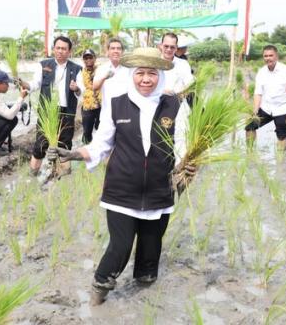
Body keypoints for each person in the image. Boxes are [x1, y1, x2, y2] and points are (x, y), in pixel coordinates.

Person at [46, 47, 193, 305]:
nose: (146, 79)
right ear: (131, 75)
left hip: (160, 189)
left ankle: (145, 295)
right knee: (120, 245)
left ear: (160, 75)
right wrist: (74, 154)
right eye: (140, 73)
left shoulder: (175, 105)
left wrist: (186, 167)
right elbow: (101, 143)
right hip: (121, 188)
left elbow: (182, 143)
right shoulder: (117, 104)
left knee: (151, 249)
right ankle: (98, 292)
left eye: (151, 74)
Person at [19, 36, 83, 177]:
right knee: (40, 144)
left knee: (64, 145)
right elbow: (34, 84)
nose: (60, 51)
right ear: (54, 49)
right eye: (58, 48)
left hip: (66, 113)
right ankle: (32, 176)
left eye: (64, 49)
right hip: (46, 113)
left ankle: (65, 176)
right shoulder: (43, 65)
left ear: (69, 51)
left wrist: (76, 88)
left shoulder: (77, 69)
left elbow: (81, 92)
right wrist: (24, 84)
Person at [245, 45, 286, 151]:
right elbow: (258, 93)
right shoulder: (261, 72)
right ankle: (249, 152)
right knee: (250, 127)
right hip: (266, 108)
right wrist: (255, 110)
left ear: (276, 56)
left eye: (271, 55)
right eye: (265, 56)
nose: (268, 58)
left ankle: (281, 161)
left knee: (281, 135)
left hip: (282, 109)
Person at [93, 37, 130, 109]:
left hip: (125, 113)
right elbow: (95, 87)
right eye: (113, 48)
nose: (116, 51)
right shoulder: (102, 68)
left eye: (118, 48)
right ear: (108, 51)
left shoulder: (129, 69)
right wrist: (104, 77)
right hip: (107, 114)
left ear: (122, 51)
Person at [77, 49, 102, 144]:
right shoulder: (80, 73)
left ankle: (101, 153)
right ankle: (86, 151)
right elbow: (79, 89)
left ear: (95, 58)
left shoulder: (101, 70)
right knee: (87, 133)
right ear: (83, 60)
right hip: (87, 107)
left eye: (90, 57)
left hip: (101, 106)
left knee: (101, 130)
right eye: (86, 58)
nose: (88, 60)